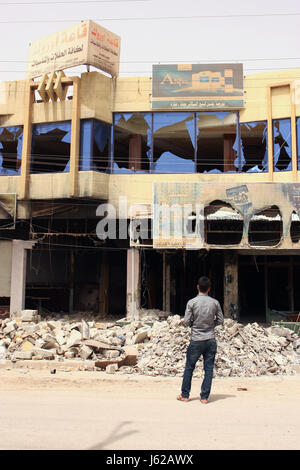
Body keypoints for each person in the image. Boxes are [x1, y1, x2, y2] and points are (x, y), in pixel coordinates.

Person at [177, 276, 224, 404]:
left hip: (196, 339)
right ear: (209, 289)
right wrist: (210, 326)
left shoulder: (191, 303)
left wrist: (192, 324)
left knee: (189, 367)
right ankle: (204, 397)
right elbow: (220, 320)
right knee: (208, 368)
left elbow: (186, 321)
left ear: (197, 287)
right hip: (210, 339)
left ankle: (185, 395)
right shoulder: (215, 303)